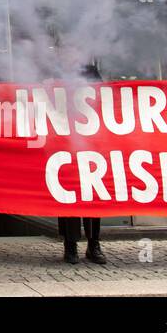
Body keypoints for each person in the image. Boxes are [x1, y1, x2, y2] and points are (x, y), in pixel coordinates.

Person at [58, 63, 106, 265]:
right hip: (66, 144)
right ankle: (70, 246)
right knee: (69, 197)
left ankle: (94, 244)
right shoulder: (57, 70)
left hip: (92, 143)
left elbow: (104, 97)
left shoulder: (91, 69)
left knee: (93, 197)